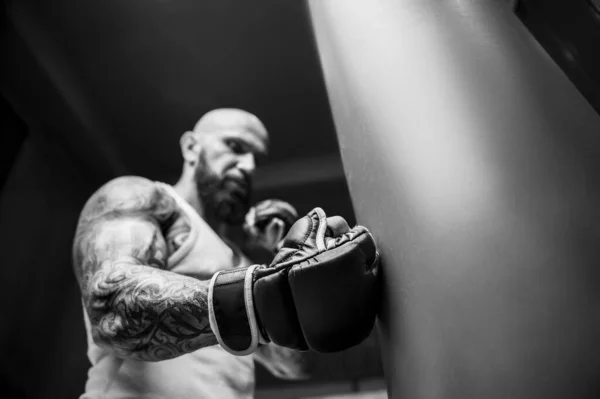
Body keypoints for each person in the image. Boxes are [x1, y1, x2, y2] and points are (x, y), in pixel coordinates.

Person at [72, 108, 380, 398]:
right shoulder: (141, 197)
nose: (248, 166)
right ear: (191, 147)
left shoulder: (242, 264)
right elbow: (111, 307)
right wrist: (257, 299)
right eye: (234, 146)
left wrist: (293, 277)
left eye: (255, 158)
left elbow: (295, 365)